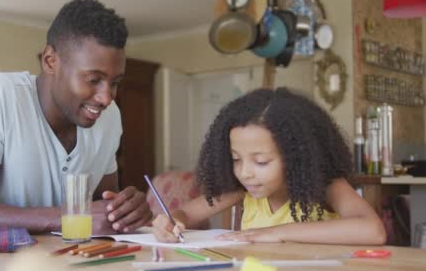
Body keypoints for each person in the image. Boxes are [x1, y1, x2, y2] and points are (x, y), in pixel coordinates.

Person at [0, 0, 152, 235]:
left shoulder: (110, 117)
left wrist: (125, 212)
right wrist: (65, 218)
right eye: (93, 80)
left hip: (73, 267)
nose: (106, 98)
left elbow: (101, 209)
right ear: (51, 61)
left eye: (115, 82)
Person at [152, 88, 386, 245]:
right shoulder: (241, 188)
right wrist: (171, 221)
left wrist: (277, 232)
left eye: (261, 161)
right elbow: (187, 213)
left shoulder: (324, 185)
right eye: (235, 158)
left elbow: (373, 230)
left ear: (296, 157)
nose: (245, 172)